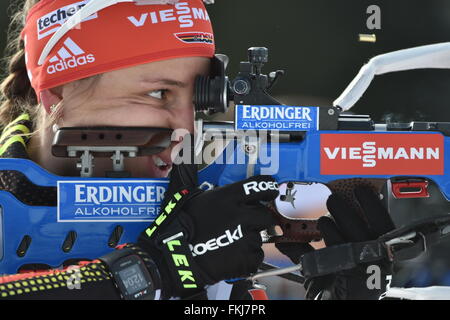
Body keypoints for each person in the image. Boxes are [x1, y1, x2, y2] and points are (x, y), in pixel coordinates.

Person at [0, 0, 395, 300]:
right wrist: (151, 270)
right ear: (55, 92)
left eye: (198, 101)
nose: (185, 127)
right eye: (158, 93)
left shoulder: (195, 216)